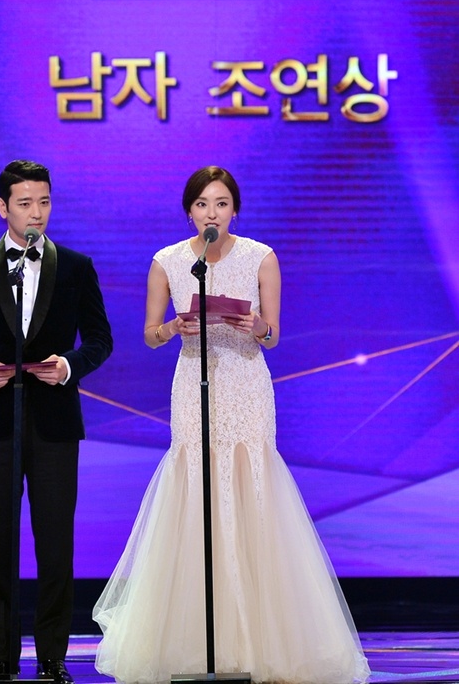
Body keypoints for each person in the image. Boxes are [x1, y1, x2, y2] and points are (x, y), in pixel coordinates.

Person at [93, 166, 369, 684]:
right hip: (193, 385)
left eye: (221, 204)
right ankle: (195, 642)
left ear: (234, 210)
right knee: (196, 489)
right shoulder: (168, 261)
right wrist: (174, 327)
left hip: (245, 383)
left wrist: (258, 325)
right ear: (189, 212)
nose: (211, 213)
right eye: (202, 204)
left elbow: (274, 335)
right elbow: (150, 334)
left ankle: (261, 642)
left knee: (251, 487)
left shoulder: (261, 257)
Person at [0, 160, 113, 684]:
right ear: (2, 207)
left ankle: (53, 658)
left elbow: (100, 340)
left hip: (55, 423)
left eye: (44, 202)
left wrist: (68, 366)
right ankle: (2, 658)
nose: (36, 213)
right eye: (25, 203)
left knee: (55, 544)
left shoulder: (76, 266)